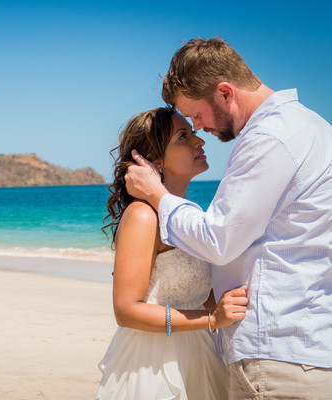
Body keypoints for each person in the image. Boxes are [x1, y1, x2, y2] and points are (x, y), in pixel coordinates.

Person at [124, 37, 332, 399]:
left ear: (224, 92)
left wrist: (158, 194)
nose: (200, 131)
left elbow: (219, 240)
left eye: (197, 116)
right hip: (295, 344)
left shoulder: (270, 137)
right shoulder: (313, 127)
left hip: (276, 352)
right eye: (185, 130)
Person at [96, 107, 248, 399]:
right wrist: (212, 320)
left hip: (200, 352)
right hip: (154, 363)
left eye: (193, 133)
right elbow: (126, 311)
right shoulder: (143, 216)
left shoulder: (191, 216)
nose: (199, 141)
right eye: (183, 136)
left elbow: (204, 292)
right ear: (156, 160)